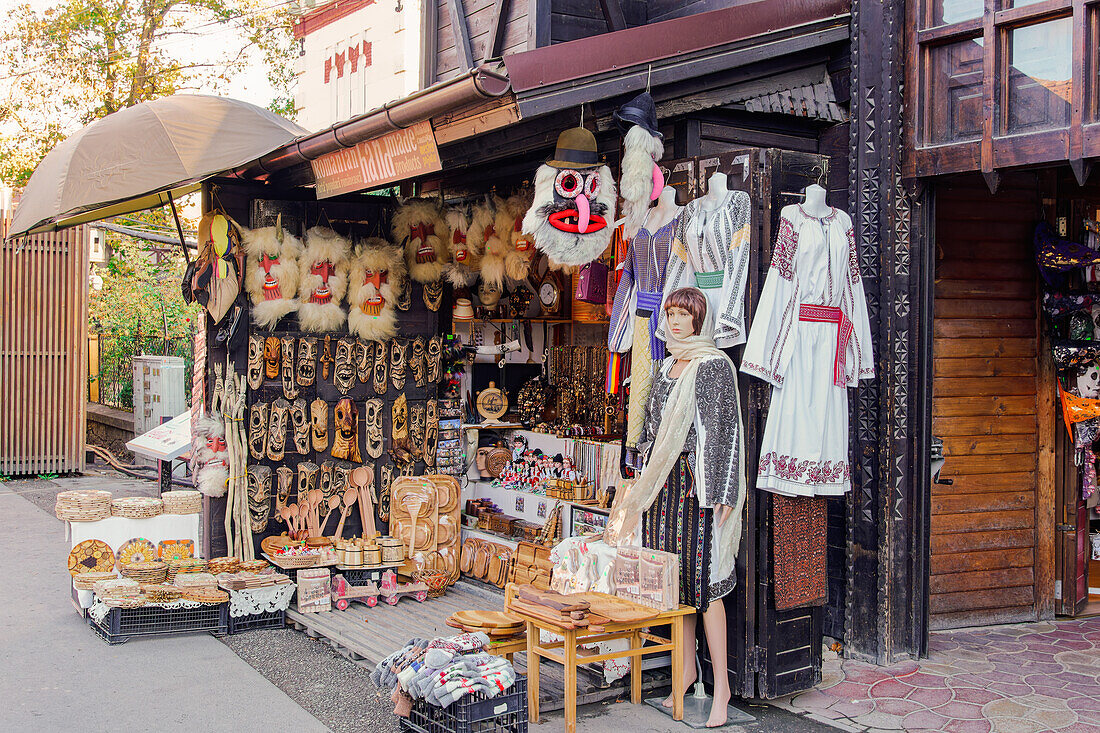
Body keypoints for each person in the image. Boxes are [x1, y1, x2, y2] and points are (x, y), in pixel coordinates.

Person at [606, 286, 747, 727]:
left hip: (697, 486)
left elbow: (724, 431)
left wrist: (725, 490)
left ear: (699, 319)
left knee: (705, 586)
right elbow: (650, 426)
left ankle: (720, 687)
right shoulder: (667, 366)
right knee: (674, 581)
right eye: (670, 313)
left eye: (684, 314)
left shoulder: (713, 365)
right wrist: (640, 473)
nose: (675, 321)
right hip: (663, 487)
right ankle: (685, 671)